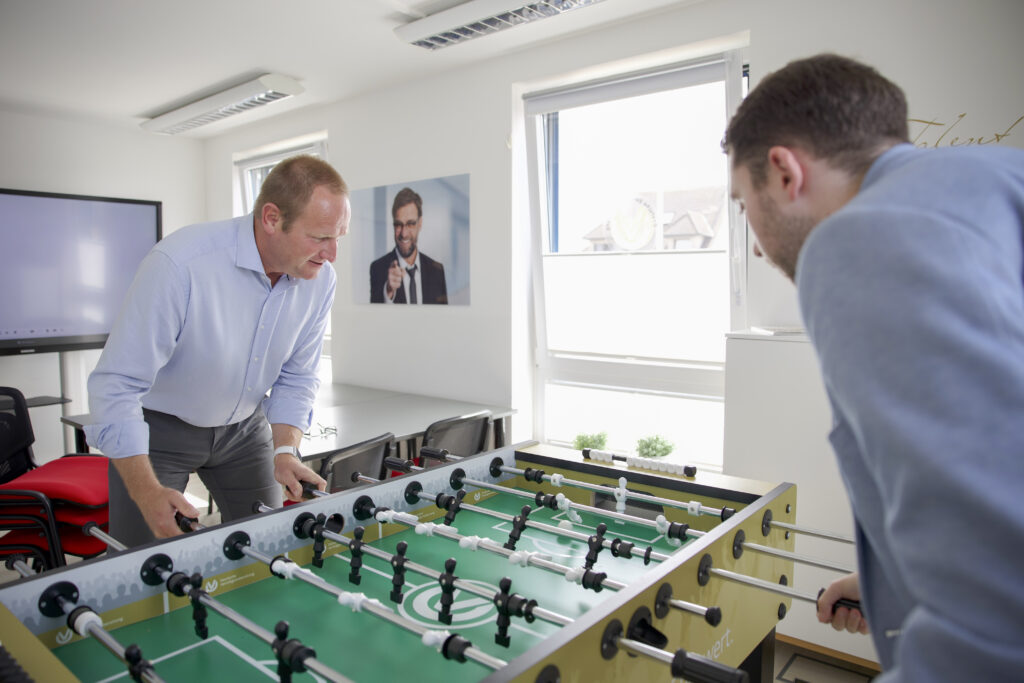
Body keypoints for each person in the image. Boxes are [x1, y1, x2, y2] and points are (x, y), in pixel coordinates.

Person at [723, 54, 1024, 681]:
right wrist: (890, 580)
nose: (755, 241)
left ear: (784, 171)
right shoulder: (998, 178)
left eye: (744, 204)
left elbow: (996, 607)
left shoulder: (859, 239)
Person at [85, 155, 351, 547]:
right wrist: (145, 492)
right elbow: (116, 386)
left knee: (268, 545)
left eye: (339, 237)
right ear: (272, 218)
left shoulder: (320, 279)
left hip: (245, 427)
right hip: (160, 429)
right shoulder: (180, 264)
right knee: (143, 560)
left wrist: (286, 450)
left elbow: (297, 377)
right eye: (320, 237)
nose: (332, 254)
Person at [369, 187, 448, 304]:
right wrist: (388, 291)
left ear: (420, 223)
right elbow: (373, 314)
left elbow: (444, 314)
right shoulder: (378, 269)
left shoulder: (437, 271)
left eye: (410, 224)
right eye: (398, 224)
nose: (404, 233)